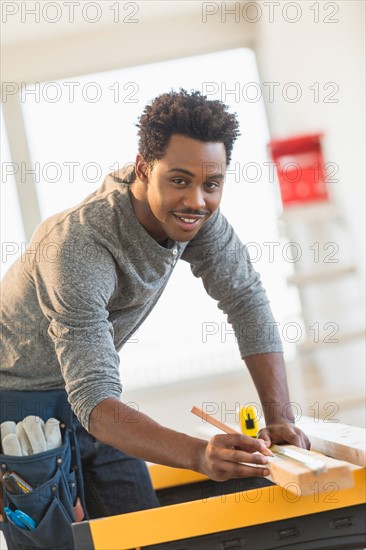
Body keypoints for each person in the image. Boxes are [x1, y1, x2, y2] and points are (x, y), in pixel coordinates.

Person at [1, 89, 309, 536]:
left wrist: (280, 418)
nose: (197, 201)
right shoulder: (76, 245)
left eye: (212, 184)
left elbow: (247, 301)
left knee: (145, 530)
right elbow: (94, 398)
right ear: (144, 167)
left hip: (91, 397)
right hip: (18, 403)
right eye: (180, 180)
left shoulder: (195, 217)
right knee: (54, 542)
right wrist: (200, 455)